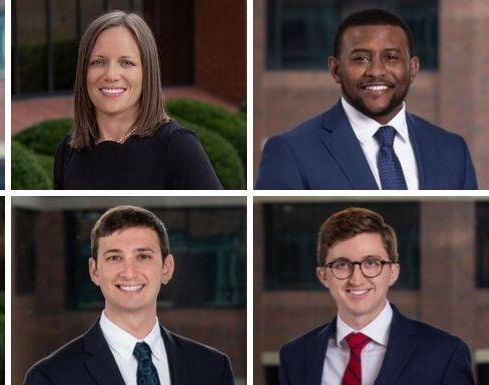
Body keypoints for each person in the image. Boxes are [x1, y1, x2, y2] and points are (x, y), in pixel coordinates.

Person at [256, 9, 477, 190]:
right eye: (361, 58)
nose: (376, 71)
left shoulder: (452, 150)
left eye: (390, 57)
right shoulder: (290, 151)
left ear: (413, 69)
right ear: (335, 69)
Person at [23, 205, 234, 384]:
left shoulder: (213, 369)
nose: (129, 272)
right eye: (115, 258)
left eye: (143, 256)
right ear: (94, 271)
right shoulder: (50, 377)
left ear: (166, 268)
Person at [279, 207, 474, 384]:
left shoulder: (445, 353)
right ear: (323, 276)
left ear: (393, 272)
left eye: (371, 263)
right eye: (341, 265)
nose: (357, 280)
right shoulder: (295, 356)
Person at [53, 11, 222, 190]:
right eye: (98, 62)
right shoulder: (68, 151)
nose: (111, 75)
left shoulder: (178, 147)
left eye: (126, 63)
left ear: (147, 72)